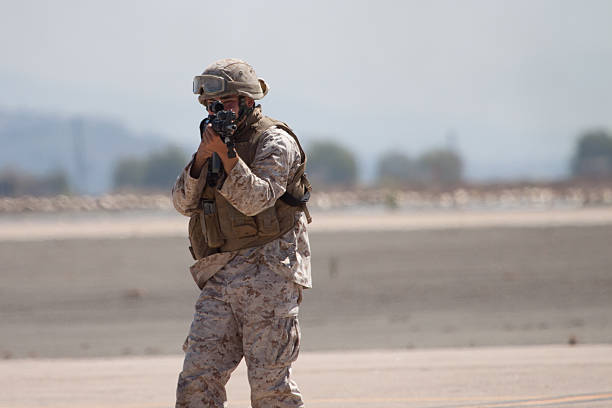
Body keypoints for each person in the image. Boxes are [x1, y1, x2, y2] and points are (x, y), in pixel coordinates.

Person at [172, 58, 312, 408]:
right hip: (221, 274)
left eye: (226, 104)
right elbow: (181, 202)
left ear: (249, 102)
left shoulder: (275, 142)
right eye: (210, 106)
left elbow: (257, 200)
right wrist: (203, 158)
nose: (217, 111)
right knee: (196, 381)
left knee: (270, 389)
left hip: (270, 275)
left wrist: (228, 157)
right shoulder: (214, 144)